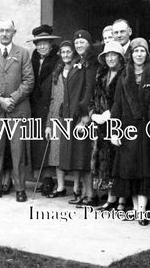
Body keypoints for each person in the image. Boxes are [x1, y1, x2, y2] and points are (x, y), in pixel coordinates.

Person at [0, 19, 34, 202]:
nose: (4, 34)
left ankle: (20, 188)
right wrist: (0, 99)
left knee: (18, 150)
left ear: (14, 32)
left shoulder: (23, 53)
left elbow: (29, 81)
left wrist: (12, 99)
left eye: (8, 30)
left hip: (17, 109)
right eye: (1, 30)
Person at [111, 37, 150, 225]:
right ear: (131, 54)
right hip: (127, 128)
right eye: (135, 51)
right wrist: (115, 131)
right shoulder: (123, 75)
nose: (139, 54)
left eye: (142, 51)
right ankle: (135, 207)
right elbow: (116, 105)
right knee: (129, 169)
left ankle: (142, 210)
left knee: (144, 170)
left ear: (147, 54)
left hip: (146, 129)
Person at [59, 30, 98, 206]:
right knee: (77, 157)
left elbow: (90, 90)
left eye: (83, 42)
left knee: (84, 157)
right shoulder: (78, 62)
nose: (79, 45)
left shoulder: (90, 63)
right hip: (73, 114)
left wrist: (84, 116)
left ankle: (91, 195)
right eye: (77, 43)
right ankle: (82, 192)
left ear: (89, 44)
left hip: (82, 116)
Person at [90, 40, 125, 210]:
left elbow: (125, 100)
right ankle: (110, 198)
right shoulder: (101, 76)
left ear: (120, 57)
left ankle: (120, 200)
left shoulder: (125, 75)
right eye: (108, 55)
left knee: (118, 161)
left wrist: (112, 113)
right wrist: (94, 115)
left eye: (114, 55)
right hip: (102, 125)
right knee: (105, 162)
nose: (111, 58)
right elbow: (93, 99)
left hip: (119, 124)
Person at [27, 24, 61, 196]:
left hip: (50, 105)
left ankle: (49, 179)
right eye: (38, 43)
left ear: (50, 43)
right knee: (37, 144)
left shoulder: (58, 59)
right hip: (34, 107)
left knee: (49, 144)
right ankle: (40, 178)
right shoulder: (32, 59)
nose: (41, 46)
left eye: (45, 43)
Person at [44, 41, 73, 198]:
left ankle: (77, 189)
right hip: (57, 117)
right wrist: (49, 124)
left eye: (69, 52)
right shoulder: (58, 72)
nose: (66, 55)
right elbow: (53, 99)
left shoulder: (78, 70)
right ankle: (60, 187)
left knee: (73, 152)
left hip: (72, 117)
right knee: (56, 152)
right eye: (63, 52)